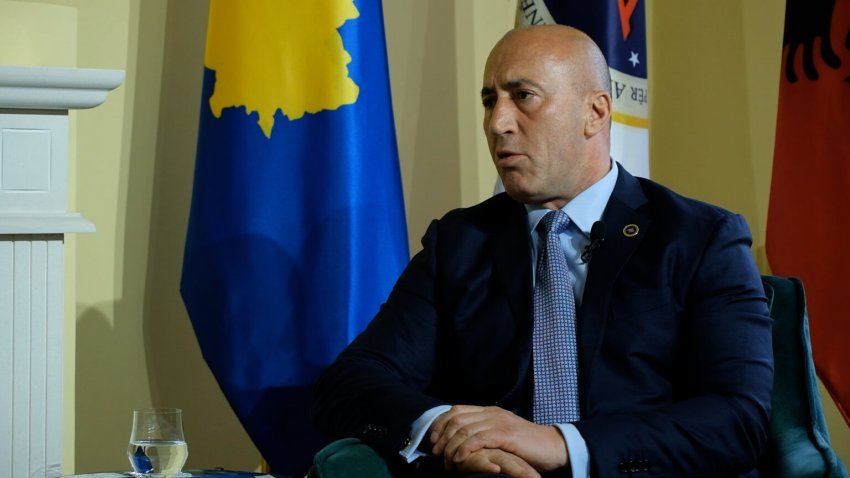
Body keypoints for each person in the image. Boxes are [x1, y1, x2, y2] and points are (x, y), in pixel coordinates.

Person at [311, 25, 773, 478]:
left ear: (595, 112)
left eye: (523, 96)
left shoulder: (699, 238)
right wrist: (450, 432)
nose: (497, 123)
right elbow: (352, 380)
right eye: (489, 101)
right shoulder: (459, 242)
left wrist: (560, 444)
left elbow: (738, 419)